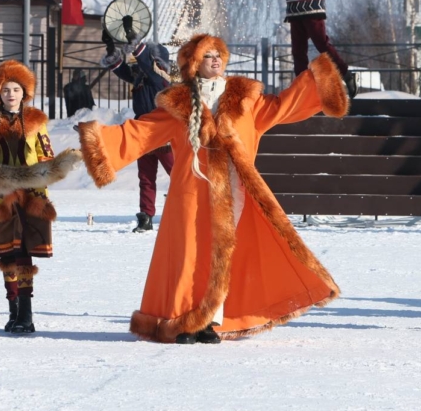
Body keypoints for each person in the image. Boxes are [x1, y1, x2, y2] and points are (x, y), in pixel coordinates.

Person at [78, 34, 348, 344]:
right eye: (207, 55)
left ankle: (209, 320)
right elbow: (142, 132)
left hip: (235, 190)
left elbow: (283, 106)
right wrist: (99, 142)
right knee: (189, 253)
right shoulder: (178, 102)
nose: (216, 59)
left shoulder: (247, 99)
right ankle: (182, 321)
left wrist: (320, 82)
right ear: (193, 64)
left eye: (219, 54)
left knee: (223, 254)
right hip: (191, 190)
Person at [0, 61, 57, 334]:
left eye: (16, 89)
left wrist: (48, 171)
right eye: (6, 90)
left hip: (30, 196)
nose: (11, 94)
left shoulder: (36, 122)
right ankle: (13, 309)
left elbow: (45, 154)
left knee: (24, 253)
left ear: (25, 92)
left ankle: (27, 315)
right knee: (7, 253)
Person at [101, 19, 174, 233]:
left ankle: (192, 206)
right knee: (146, 178)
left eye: (148, 59)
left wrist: (135, 41)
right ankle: (146, 216)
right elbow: (122, 69)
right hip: (142, 134)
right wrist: (111, 48)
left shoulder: (161, 79)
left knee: (178, 173)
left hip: (164, 135)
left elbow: (146, 65)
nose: (139, 63)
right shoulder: (141, 77)